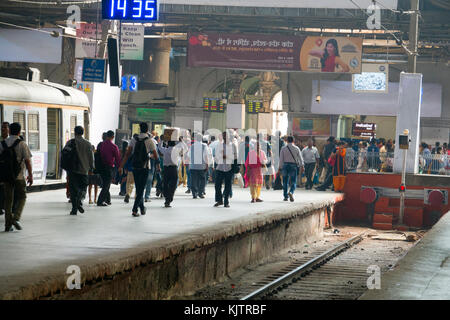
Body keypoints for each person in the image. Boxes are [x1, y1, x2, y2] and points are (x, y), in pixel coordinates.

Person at [119, 122, 159, 217]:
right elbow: (156, 155)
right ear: (147, 130)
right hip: (145, 167)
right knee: (141, 189)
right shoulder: (150, 141)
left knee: (139, 187)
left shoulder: (134, 140)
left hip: (135, 167)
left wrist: (121, 166)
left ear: (139, 129)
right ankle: (134, 209)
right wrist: (150, 156)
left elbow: (127, 154)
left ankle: (142, 208)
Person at [0, 122, 33, 231]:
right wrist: (30, 175)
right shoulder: (22, 144)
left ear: (9, 130)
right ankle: (16, 218)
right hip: (19, 176)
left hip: (7, 177)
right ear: (19, 131)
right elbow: (28, 161)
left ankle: (7, 225)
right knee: (22, 197)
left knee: (8, 200)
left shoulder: (3, 143)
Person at [64, 126, 94, 215]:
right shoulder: (88, 144)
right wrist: (91, 168)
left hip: (72, 170)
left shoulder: (70, 142)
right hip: (84, 170)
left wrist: (66, 169)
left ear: (75, 132)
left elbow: (65, 156)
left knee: (73, 190)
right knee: (83, 187)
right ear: (83, 132)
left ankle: (74, 209)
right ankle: (79, 200)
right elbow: (91, 158)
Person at [214, 131, 238, 208]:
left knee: (228, 185)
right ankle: (219, 200)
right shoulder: (219, 145)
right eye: (223, 136)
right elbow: (216, 156)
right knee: (217, 185)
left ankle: (226, 202)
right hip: (220, 167)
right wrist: (221, 156)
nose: (224, 138)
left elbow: (235, 157)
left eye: (226, 136)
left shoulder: (233, 146)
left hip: (229, 168)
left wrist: (227, 156)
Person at [279, 136, 304, 202]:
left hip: (285, 165)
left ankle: (285, 197)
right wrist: (302, 166)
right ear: (293, 141)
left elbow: (281, 159)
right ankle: (291, 192)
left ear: (287, 141)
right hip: (293, 166)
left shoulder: (283, 148)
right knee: (293, 181)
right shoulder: (296, 148)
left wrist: (280, 167)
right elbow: (300, 158)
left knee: (285, 181)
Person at [158, 139, 182, 207]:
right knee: (173, 185)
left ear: (168, 144)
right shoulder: (177, 150)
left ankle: (166, 198)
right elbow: (185, 148)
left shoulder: (165, 150)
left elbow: (159, 147)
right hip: (173, 169)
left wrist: (162, 140)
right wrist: (180, 141)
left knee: (165, 183)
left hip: (166, 169)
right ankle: (169, 198)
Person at [188, 133, 209, 199]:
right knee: (202, 180)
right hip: (201, 166)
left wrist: (189, 165)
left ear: (195, 139)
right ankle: (200, 193)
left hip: (193, 166)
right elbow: (206, 156)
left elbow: (189, 156)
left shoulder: (192, 146)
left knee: (193, 180)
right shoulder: (204, 146)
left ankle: (194, 193)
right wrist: (207, 165)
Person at [0, 122, 9, 216]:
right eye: (2, 128)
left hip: (7, 168)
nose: (3, 129)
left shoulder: (10, 141)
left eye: (5, 128)